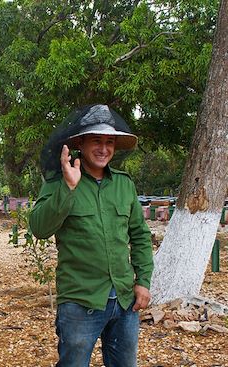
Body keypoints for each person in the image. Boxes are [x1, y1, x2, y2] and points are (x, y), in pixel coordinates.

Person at [29, 104, 154, 367]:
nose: (104, 148)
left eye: (110, 142)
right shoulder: (58, 182)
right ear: (81, 144)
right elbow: (39, 228)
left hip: (124, 299)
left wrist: (143, 281)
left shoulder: (124, 184)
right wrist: (68, 187)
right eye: (96, 140)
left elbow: (140, 236)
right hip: (79, 301)